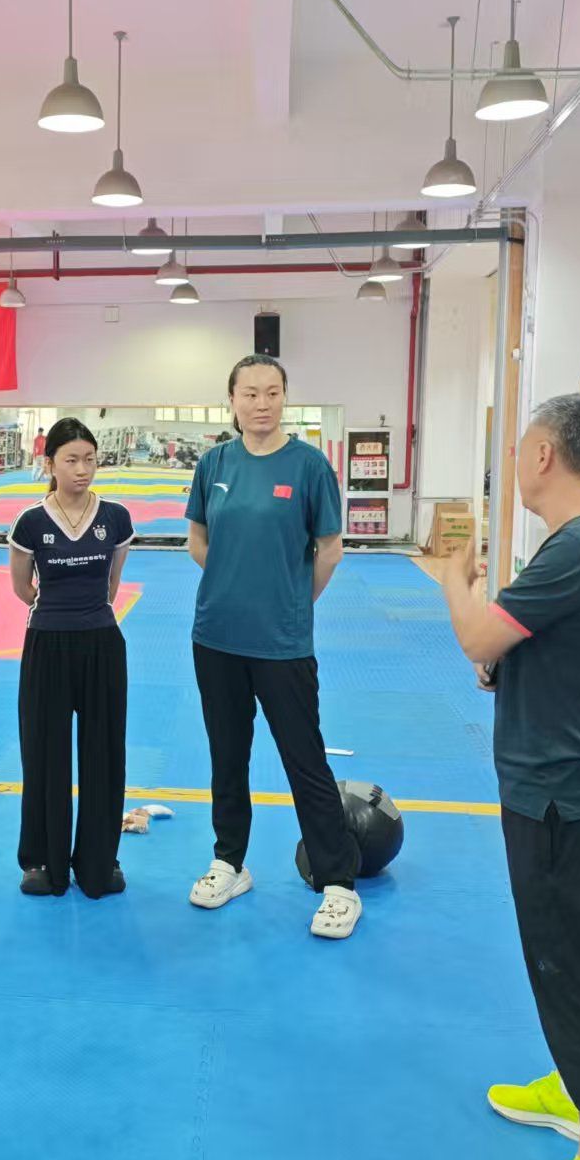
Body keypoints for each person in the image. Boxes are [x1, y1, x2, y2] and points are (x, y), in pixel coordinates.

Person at [438, 393, 580, 1160]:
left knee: (577, 971)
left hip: (565, 798)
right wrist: (505, 664)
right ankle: (572, 1085)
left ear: (544, 455)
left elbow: (475, 632)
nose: (518, 459)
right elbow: (527, 652)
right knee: (559, 960)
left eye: (521, 445)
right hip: (561, 789)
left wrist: (453, 580)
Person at [183, 354, 359, 938]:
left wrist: (291, 601)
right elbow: (198, 539)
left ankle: (338, 882)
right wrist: (234, 583)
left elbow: (329, 549)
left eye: (272, 392)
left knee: (303, 759)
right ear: (232, 400)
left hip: (282, 642)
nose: (262, 403)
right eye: (250, 393)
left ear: (285, 397)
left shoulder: (309, 466)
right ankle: (229, 863)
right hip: (216, 637)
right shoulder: (214, 463)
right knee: (227, 755)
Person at [9, 418, 133, 898]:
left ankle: (100, 859)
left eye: (90, 460)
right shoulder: (31, 522)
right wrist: (58, 614)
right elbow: (22, 587)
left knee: (104, 753)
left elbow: (112, 585)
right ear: (50, 465)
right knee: (44, 754)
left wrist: (85, 615)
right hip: (47, 644)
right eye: (71, 460)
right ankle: (42, 860)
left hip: (102, 643)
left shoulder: (116, 518)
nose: (82, 469)